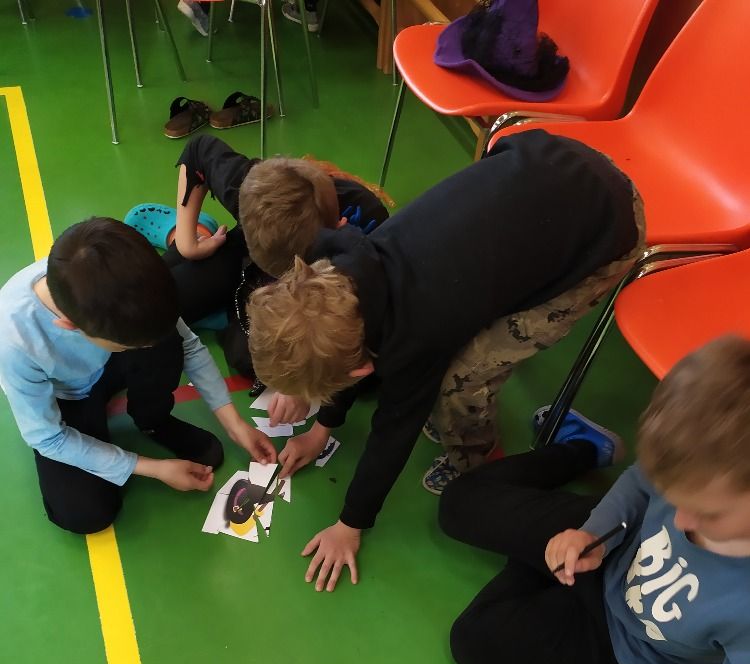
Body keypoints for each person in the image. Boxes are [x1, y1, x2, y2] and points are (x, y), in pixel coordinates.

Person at [246, 129, 646, 591]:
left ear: (363, 370)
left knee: (462, 382)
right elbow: (344, 350)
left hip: (607, 229)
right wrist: (321, 431)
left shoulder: (415, 333)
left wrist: (351, 523)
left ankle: (473, 458)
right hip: (553, 162)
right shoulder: (339, 263)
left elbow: (393, 432)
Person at [439, 335, 750, 664]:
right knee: (458, 503)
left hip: (622, 639)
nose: (682, 521)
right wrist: (591, 533)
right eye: (676, 498)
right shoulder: (701, 474)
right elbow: (640, 485)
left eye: (708, 514)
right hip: (605, 541)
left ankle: (538, 554)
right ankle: (583, 447)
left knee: (474, 644)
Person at [0, 218, 276, 535]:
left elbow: (186, 344)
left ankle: (152, 420)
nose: (145, 348)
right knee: (85, 513)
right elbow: (48, 437)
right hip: (68, 397)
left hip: (110, 362)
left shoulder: (129, 281)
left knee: (166, 339)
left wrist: (235, 424)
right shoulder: (14, 340)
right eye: (129, 344)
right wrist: (152, 468)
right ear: (70, 327)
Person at [162, 136, 390, 423]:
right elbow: (198, 150)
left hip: (315, 293)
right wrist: (188, 245)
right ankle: (188, 234)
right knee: (158, 302)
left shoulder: (365, 239)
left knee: (260, 359)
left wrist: (299, 389)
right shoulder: (258, 194)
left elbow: (355, 336)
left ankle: (224, 303)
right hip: (245, 260)